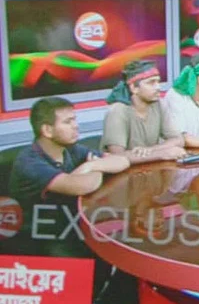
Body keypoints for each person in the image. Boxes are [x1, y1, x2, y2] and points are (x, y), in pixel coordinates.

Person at [8, 97, 130, 297]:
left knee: (123, 251)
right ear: (47, 130)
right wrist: (96, 167)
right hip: (44, 238)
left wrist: (91, 165)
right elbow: (81, 185)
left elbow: (121, 161)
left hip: (72, 226)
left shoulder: (70, 149)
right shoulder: (28, 162)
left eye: (75, 120)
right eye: (68, 122)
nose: (76, 126)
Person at [101, 60, 186, 163]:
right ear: (134, 88)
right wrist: (161, 154)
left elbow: (178, 140)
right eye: (151, 83)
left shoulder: (159, 104)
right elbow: (117, 156)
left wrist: (150, 150)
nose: (158, 87)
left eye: (158, 82)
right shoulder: (117, 111)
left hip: (150, 168)